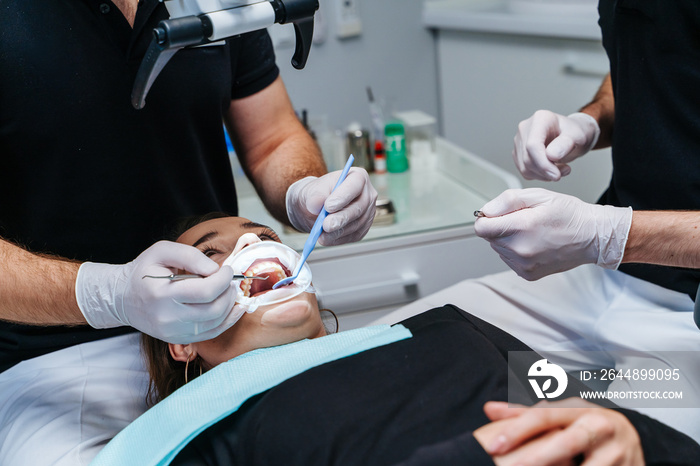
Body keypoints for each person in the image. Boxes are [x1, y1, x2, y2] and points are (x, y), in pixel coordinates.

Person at [0, 1, 376, 464]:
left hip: (217, 344)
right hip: (59, 354)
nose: (248, 246)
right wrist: (106, 293)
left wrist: (304, 190)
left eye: (260, 237)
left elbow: (272, 137)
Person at [92, 213, 699, 466]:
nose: (251, 246)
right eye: (210, 257)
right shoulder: (187, 426)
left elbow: (589, 385)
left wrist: (637, 428)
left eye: (262, 234)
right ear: (180, 341)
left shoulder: (431, 327)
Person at [377, 0, 700, 445]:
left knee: (609, 446)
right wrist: (589, 120)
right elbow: (654, 60)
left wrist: (608, 234)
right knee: (382, 351)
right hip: (597, 281)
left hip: (684, 322)